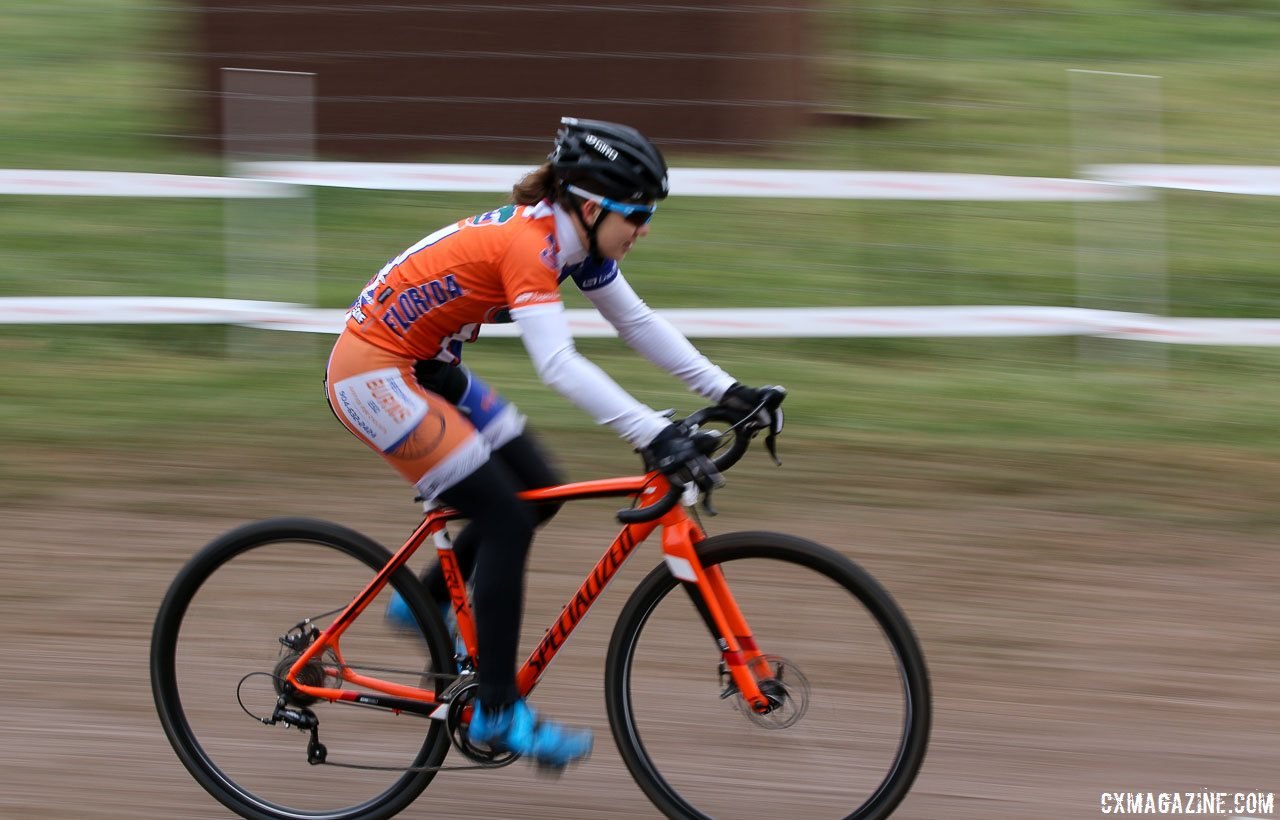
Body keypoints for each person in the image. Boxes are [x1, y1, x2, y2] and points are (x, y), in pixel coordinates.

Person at [324, 117, 780, 768]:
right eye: (638, 213)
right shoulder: (530, 245)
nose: (645, 227)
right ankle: (499, 710)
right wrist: (653, 432)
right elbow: (558, 364)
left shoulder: (581, 245)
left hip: (427, 365)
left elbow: (636, 324)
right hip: (372, 372)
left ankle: (423, 603)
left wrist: (731, 390)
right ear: (592, 207)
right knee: (504, 512)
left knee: (537, 487)